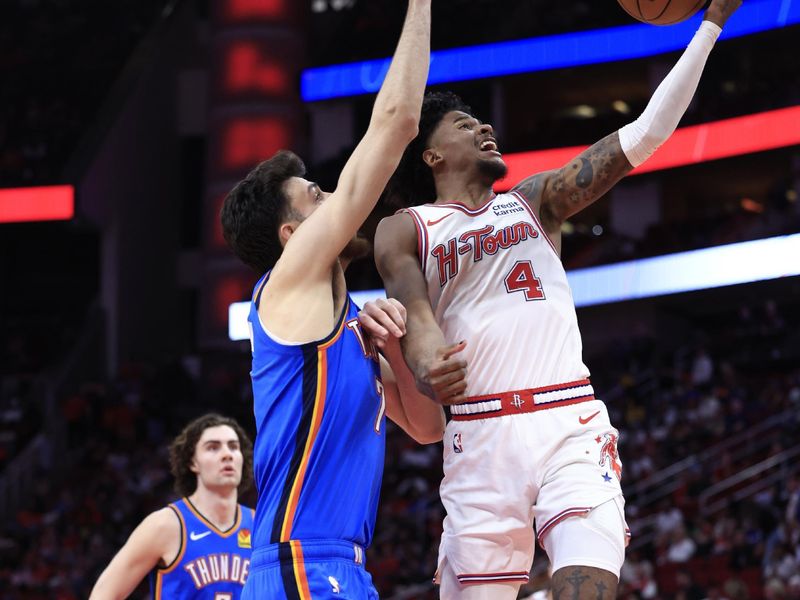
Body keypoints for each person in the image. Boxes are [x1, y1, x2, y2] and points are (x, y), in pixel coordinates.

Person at [375, 1, 743, 598]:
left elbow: (645, 134)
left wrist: (710, 25)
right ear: (432, 156)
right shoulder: (408, 226)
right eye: (465, 124)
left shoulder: (535, 200)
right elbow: (414, 311)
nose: (484, 127)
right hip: (478, 439)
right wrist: (425, 363)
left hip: (566, 421)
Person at [220, 1, 458, 597]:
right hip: (300, 563)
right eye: (317, 195)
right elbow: (397, 122)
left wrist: (397, 349)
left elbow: (427, 427)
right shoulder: (287, 284)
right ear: (294, 238)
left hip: (339, 567)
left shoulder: (349, 323)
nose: (337, 199)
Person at [89, 413, 255, 599]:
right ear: (193, 462)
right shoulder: (165, 525)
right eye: (213, 448)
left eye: (233, 447)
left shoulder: (261, 525)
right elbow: (104, 594)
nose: (227, 454)